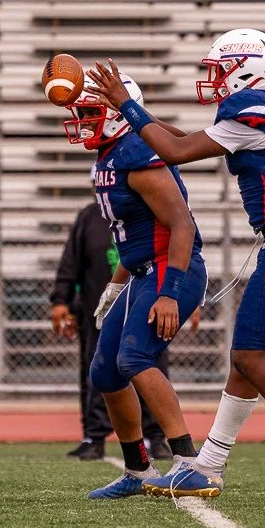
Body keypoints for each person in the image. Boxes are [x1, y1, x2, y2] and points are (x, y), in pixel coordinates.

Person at [86, 28, 265, 507]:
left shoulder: (254, 110)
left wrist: (127, 107)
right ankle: (208, 464)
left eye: (220, 69)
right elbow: (182, 138)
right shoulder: (259, 111)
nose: (213, 79)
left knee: (251, 355)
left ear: (246, 70)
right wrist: (133, 110)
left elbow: (176, 151)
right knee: (245, 359)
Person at [62, 71, 207, 499]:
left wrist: (170, 291)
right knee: (104, 372)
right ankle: (138, 469)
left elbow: (182, 225)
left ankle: (188, 462)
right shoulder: (109, 156)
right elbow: (134, 238)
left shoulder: (137, 152)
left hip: (171, 269)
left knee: (134, 357)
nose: (83, 121)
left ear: (115, 113)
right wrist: (114, 286)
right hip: (141, 271)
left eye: (91, 112)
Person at [50, 197, 176, 461]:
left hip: (146, 306)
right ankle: (94, 437)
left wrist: (178, 293)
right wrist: (62, 300)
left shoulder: (152, 209)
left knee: (151, 368)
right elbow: (71, 261)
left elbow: (176, 252)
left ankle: (156, 437)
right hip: (99, 308)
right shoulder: (89, 216)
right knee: (97, 369)